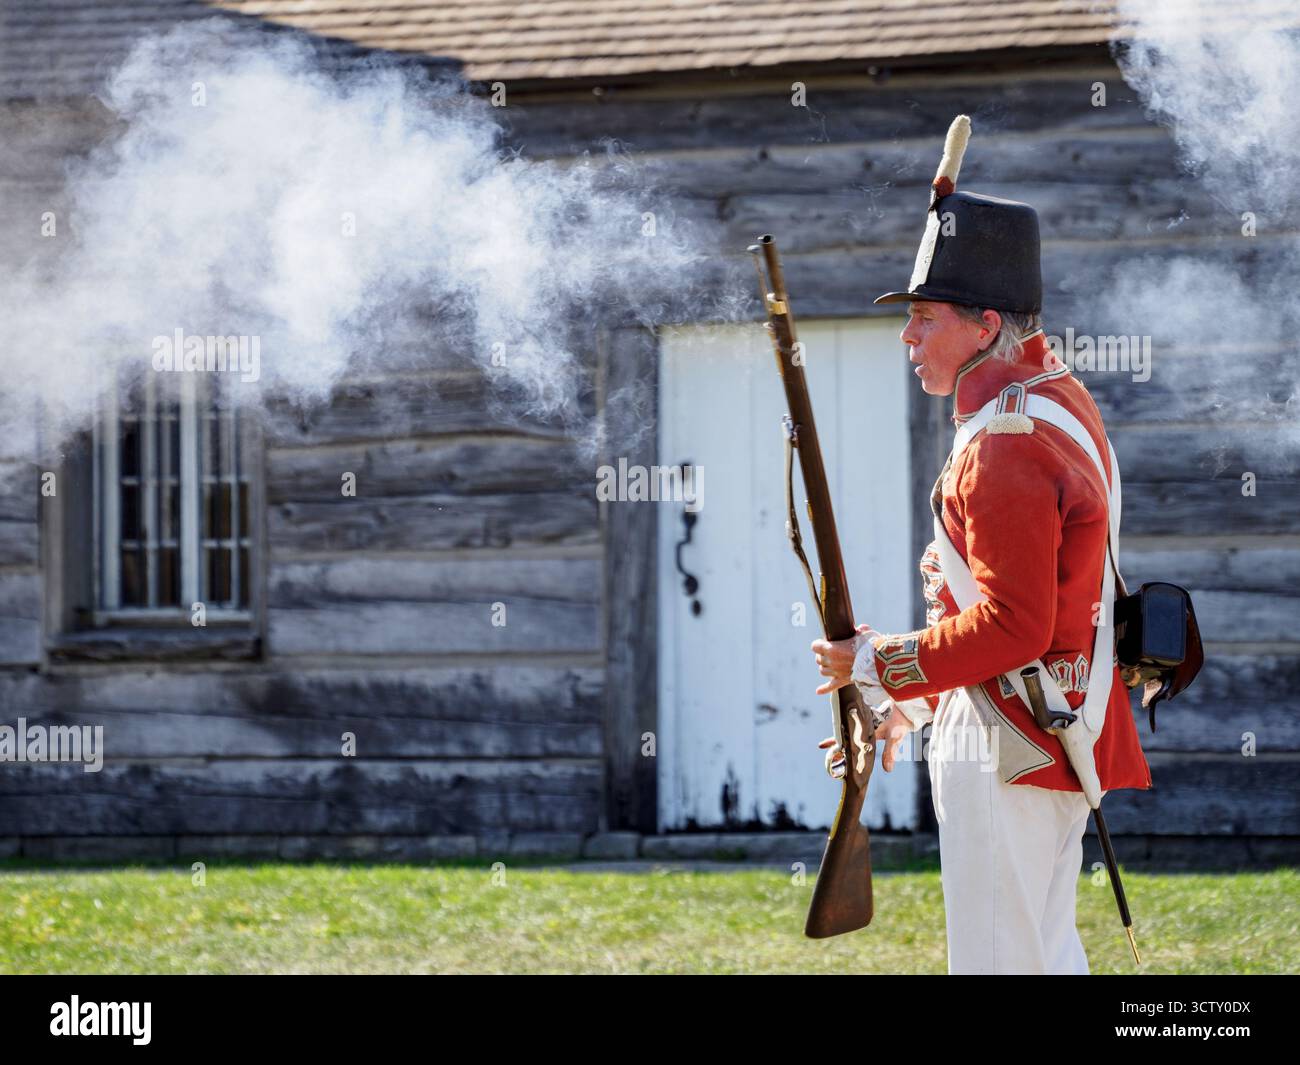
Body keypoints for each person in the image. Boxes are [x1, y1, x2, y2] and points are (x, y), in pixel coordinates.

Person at [810, 117, 1150, 975]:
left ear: (985, 320)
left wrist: (876, 664)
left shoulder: (1002, 443)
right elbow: (999, 608)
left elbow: (1014, 627)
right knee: (1041, 958)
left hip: (1006, 745)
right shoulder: (1057, 398)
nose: (908, 338)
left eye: (924, 318)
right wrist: (907, 706)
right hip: (1052, 731)